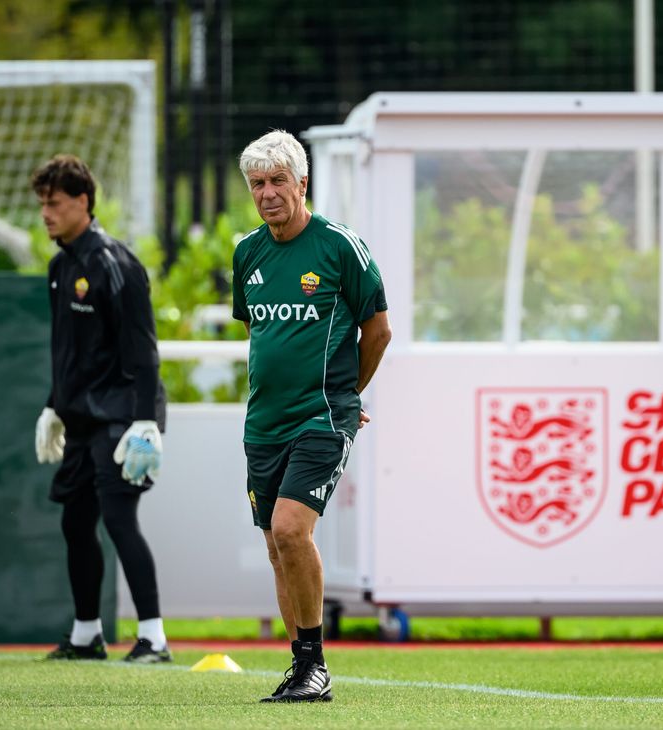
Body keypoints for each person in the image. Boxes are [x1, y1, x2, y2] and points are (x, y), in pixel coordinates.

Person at [233, 130, 391, 703]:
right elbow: (260, 335)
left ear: (303, 183)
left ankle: (315, 665)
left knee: (290, 528)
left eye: (278, 181)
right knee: (278, 547)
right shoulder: (247, 252)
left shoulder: (340, 247)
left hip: (322, 420)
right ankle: (301, 669)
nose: (268, 193)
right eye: (258, 184)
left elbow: (379, 331)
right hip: (263, 425)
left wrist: (346, 394)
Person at [31, 154, 172, 664]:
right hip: (82, 418)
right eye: (42, 204)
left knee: (118, 518)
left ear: (83, 203)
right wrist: (54, 407)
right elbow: (66, 351)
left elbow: (143, 349)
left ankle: (154, 638)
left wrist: (144, 422)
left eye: (55, 204)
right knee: (75, 521)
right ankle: (87, 634)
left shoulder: (117, 264)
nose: (46, 213)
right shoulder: (59, 265)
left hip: (122, 414)